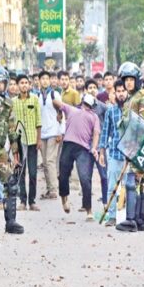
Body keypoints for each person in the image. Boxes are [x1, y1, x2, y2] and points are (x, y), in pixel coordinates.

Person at [0, 67, 24, 235]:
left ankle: (11, 221)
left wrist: (15, 153)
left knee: (11, 184)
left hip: (0, 150)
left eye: (2, 83)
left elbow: (12, 130)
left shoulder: (8, 104)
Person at [52, 92, 100, 220]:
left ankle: (88, 209)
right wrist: (59, 111)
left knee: (84, 178)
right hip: (68, 145)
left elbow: (96, 134)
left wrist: (94, 148)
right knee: (63, 175)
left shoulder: (94, 117)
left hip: (83, 149)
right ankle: (64, 199)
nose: (86, 107)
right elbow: (56, 102)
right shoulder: (71, 109)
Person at [115, 62, 144, 233]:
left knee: (132, 182)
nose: (128, 83)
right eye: (125, 80)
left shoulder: (142, 98)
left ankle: (131, 220)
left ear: (137, 80)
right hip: (131, 146)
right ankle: (139, 220)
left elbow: (143, 126)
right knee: (139, 183)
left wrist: (134, 148)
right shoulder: (130, 99)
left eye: (131, 79)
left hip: (138, 147)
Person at [98, 79, 127, 226]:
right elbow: (105, 133)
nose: (121, 94)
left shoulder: (132, 110)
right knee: (112, 187)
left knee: (131, 187)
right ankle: (112, 216)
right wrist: (102, 152)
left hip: (130, 157)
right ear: (114, 93)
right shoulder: (111, 111)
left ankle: (131, 217)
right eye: (118, 92)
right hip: (115, 154)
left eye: (123, 91)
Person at [12, 74, 41, 211]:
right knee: (21, 172)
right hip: (19, 141)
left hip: (33, 140)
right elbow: (12, 124)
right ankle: (22, 201)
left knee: (33, 172)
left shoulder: (35, 99)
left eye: (26, 82)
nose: (24, 85)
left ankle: (32, 200)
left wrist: (39, 139)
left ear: (29, 85)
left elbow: (39, 121)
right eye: (21, 82)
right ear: (18, 85)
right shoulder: (13, 102)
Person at [36, 70, 62, 200]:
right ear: (39, 81)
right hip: (42, 133)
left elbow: (62, 113)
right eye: (43, 79)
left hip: (53, 132)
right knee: (45, 163)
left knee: (50, 161)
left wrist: (60, 132)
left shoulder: (54, 94)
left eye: (47, 78)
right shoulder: (37, 96)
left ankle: (53, 190)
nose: (45, 81)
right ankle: (48, 188)